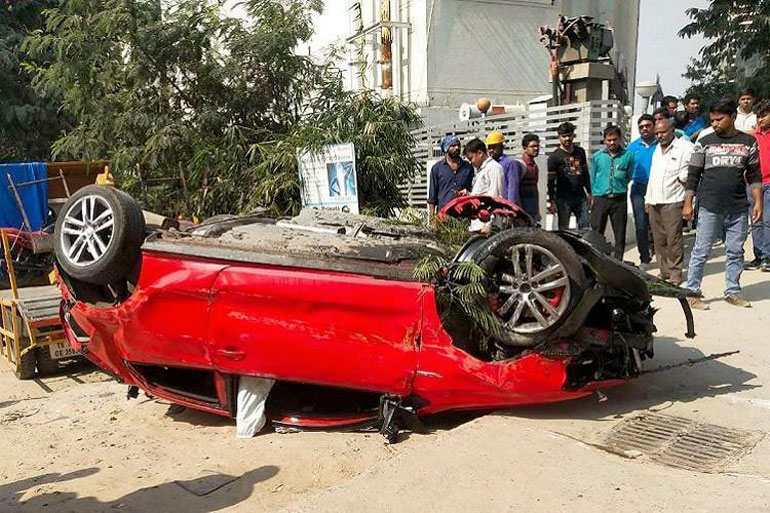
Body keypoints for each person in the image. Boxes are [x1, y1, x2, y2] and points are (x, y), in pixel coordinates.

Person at [684, 98, 763, 310]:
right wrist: (688, 203)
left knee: (736, 251)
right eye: (712, 120)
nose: (716, 123)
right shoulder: (704, 142)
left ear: (733, 118)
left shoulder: (749, 143)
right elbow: (693, 175)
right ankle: (692, 292)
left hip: (738, 207)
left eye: (720, 119)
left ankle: (732, 291)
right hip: (710, 205)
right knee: (701, 250)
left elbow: (755, 175)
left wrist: (758, 202)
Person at [645, 118, 694, 285]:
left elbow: (690, 174)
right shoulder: (657, 149)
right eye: (657, 133)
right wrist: (647, 199)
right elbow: (652, 176)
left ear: (672, 130)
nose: (659, 136)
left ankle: (675, 274)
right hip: (655, 200)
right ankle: (664, 272)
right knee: (659, 240)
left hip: (673, 200)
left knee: (673, 240)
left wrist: (688, 200)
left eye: (663, 132)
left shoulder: (685, 148)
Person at [590, 125, 635, 259]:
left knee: (619, 233)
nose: (612, 143)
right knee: (597, 233)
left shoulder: (628, 156)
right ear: (604, 140)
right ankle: (597, 260)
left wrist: (619, 186)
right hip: (600, 199)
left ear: (620, 139)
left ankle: (618, 262)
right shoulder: (597, 157)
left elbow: (629, 175)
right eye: (608, 140)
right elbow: (592, 177)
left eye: (614, 139)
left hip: (619, 199)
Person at [547, 122, 592, 230]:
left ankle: (581, 247)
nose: (567, 138)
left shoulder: (580, 152)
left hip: (580, 197)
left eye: (569, 135)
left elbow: (585, 173)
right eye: (564, 136)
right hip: (563, 199)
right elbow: (551, 181)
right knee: (564, 229)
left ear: (573, 135)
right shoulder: (554, 157)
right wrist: (552, 201)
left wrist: (590, 193)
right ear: (559, 137)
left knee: (585, 226)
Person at [627, 114, 657, 266]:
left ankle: (660, 253)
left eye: (647, 125)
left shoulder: (661, 144)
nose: (644, 129)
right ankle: (644, 258)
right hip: (639, 188)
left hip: (658, 187)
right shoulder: (632, 147)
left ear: (654, 126)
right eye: (641, 127)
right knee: (641, 224)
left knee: (659, 223)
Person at [746, 99, 770, 271]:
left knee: (768, 220)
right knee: (756, 220)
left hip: (769, 182)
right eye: (758, 116)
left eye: (764, 116)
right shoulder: (751, 137)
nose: (761, 120)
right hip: (753, 184)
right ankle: (759, 254)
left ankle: (768, 257)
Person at [464, 138, 506, 233]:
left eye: (471, 158)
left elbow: (496, 198)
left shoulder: (494, 168)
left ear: (480, 153)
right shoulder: (481, 169)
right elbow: (482, 194)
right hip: (477, 224)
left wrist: (489, 225)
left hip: (486, 227)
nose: (470, 162)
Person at [427, 135, 474, 216]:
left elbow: (473, 190)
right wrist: (432, 218)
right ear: (446, 148)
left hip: (463, 214)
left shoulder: (468, 167)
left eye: (458, 145)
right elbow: (432, 197)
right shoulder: (437, 169)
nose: (457, 148)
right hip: (443, 215)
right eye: (453, 145)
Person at [486, 131, 521, 205]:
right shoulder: (489, 164)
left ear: (502, 146)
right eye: (490, 147)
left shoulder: (510, 163)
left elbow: (512, 188)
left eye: (494, 147)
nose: (491, 150)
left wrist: (510, 208)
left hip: (505, 205)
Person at [519, 133, 541, 222]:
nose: (536, 149)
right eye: (532, 146)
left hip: (532, 210)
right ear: (525, 149)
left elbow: (535, 189)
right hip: (523, 211)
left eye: (537, 146)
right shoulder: (520, 165)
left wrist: (537, 212)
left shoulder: (535, 166)